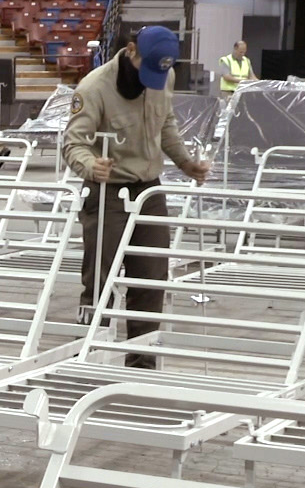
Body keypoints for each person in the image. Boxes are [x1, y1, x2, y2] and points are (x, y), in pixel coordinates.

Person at [62, 25, 211, 369]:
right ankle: (85, 356)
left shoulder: (164, 74)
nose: (151, 80)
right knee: (99, 279)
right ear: (131, 51)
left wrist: (186, 163)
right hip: (107, 192)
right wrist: (90, 165)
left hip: (149, 191)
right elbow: (73, 143)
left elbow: (166, 124)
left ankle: (142, 362)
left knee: (151, 278)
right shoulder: (94, 88)